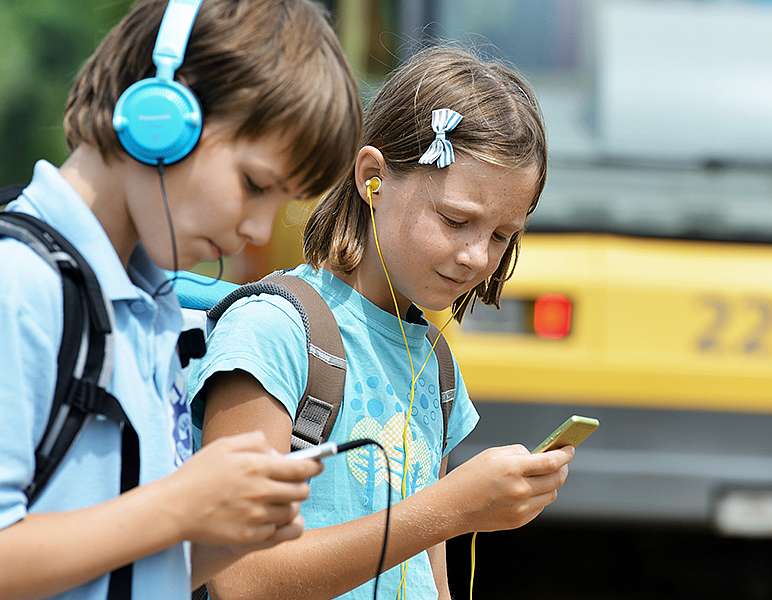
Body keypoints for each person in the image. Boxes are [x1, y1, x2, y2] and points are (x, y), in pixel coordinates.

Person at [0, 0, 362, 597]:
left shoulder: (145, 305)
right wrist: (180, 505)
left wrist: (228, 534)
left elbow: (111, 567)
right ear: (162, 116)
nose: (260, 231)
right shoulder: (9, 286)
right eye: (255, 185)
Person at [188, 45, 572, 600]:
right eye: (455, 219)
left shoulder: (434, 364)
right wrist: (451, 509)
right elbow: (240, 579)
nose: (475, 257)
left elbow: (429, 579)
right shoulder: (274, 331)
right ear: (373, 177)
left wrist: (449, 514)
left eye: (500, 236)